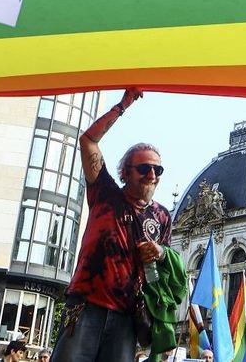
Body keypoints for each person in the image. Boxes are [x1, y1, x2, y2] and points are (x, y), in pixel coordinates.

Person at [50, 89, 172, 362]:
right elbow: (88, 140)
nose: (151, 175)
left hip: (127, 315)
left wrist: (159, 253)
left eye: (157, 170)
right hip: (85, 306)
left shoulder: (162, 216)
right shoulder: (105, 193)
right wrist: (123, 105)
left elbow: (166, 266)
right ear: (125, 172)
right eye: (144, 168)